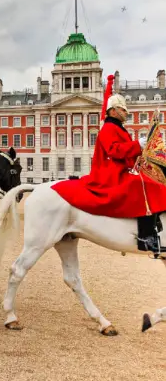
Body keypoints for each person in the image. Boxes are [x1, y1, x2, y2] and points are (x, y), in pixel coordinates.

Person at [52, 74, 166, 255]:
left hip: (120, 170)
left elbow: (124, 154)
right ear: (113, 111)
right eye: (123, 109)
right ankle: (146, 236)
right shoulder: (107, 129)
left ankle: (153, 226)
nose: (126, 112)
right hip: (109, 174)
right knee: (144, 185)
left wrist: (140, 156)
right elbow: (115, 150)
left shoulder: (117, 127)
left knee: (150, 181)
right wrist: (138, 145)